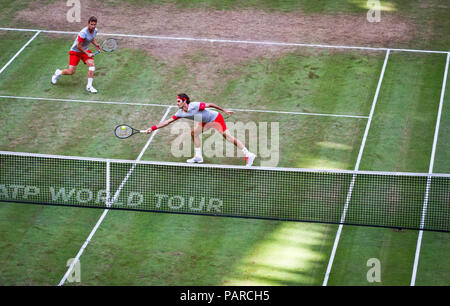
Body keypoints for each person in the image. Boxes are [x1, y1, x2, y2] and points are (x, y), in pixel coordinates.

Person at [146, 93, 257, 166]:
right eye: (177, 101)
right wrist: (152, 128)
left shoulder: (195, 105)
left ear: (185, 101)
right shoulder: (180, 113)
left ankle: (249, 154)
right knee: (194, 133)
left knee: (227, 136)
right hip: (203, 121)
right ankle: (198, 157)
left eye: (179, 101)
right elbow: (167, 121)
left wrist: (225, 111)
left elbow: (210, 105)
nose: (177, 103)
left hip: (215, 118)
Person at [51, 16, 102, 93]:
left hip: (84, 51)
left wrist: (96, 44)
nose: (93, 26)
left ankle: (89, 86)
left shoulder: (95, 31)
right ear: (88, 24)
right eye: (91, 24)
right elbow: (78, 46)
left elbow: (91, 38)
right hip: (75, 52)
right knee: (71, 72)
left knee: (92, 65)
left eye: (94, 24)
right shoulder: (83, 33)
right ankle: (58, 73)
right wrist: (88, 53)